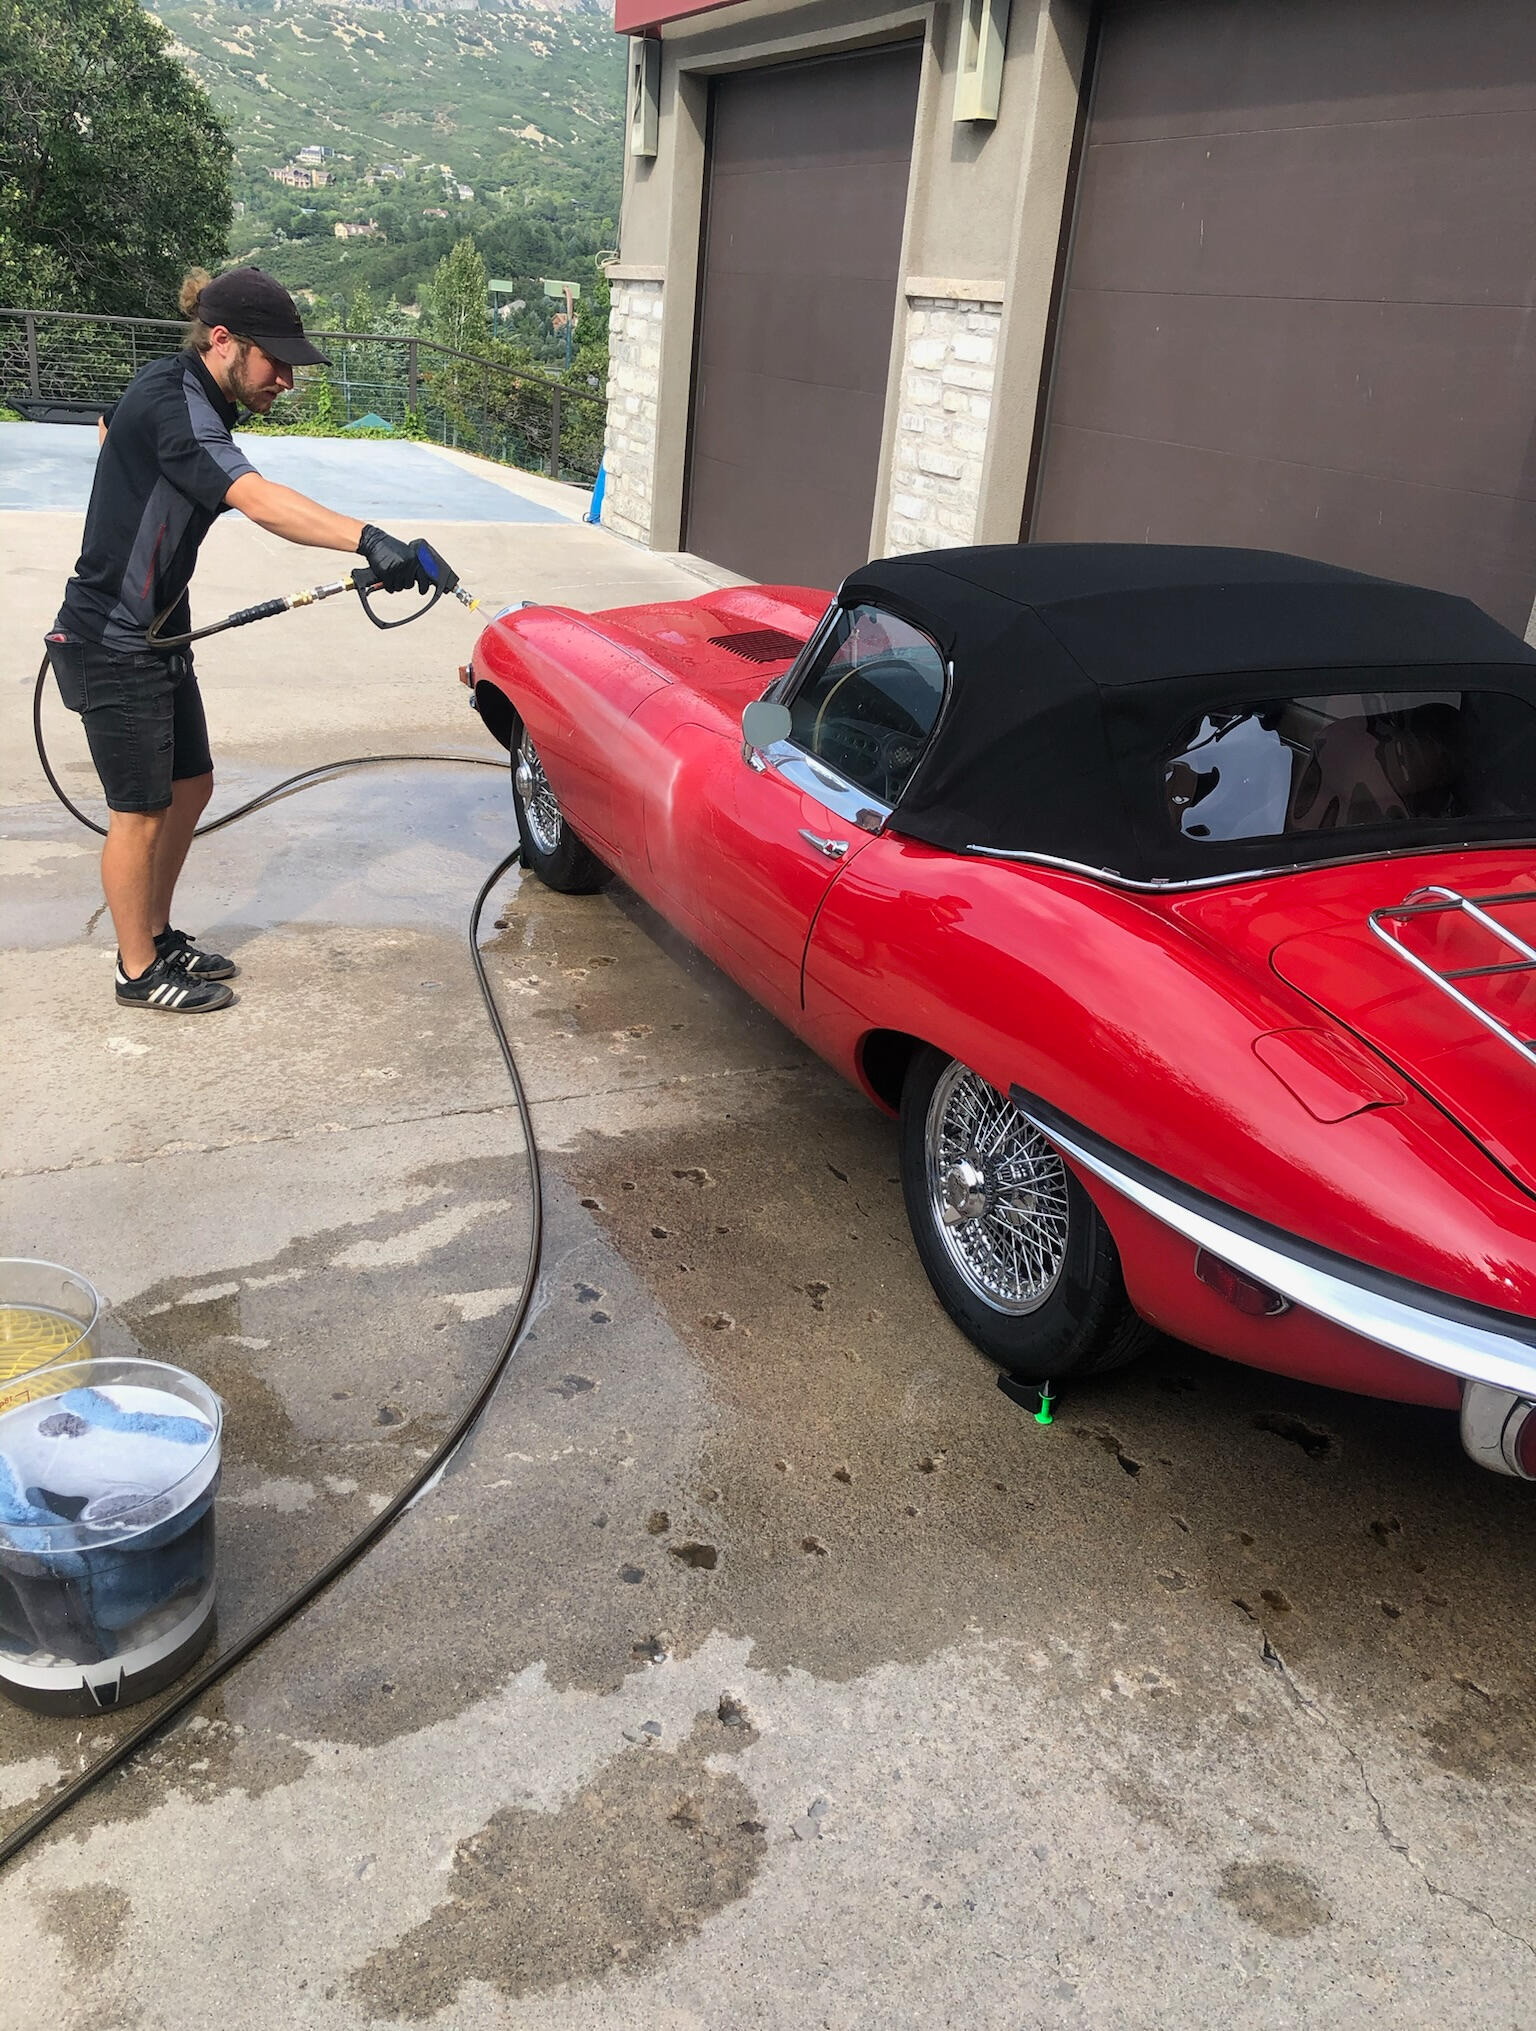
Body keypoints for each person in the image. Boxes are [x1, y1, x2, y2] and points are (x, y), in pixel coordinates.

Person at [46, 267, 432, 1013]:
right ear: (222, 341)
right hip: (112, 638)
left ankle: (156, 934)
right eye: (275, 360)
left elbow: (115, 437)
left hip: (159, 632)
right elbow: (260, 502)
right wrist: (369, 539)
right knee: (140, 810)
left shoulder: (185, 392)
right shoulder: (178, 405)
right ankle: (137, 971)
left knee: (191, 785)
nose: (285, 378)